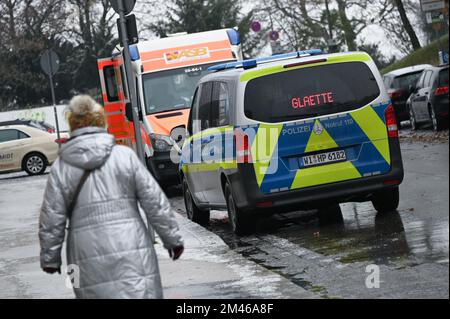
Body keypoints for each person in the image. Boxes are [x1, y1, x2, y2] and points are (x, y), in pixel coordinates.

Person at [38, 95, 184, 299]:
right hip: (131, 243)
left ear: (72, 125)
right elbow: (154, 201)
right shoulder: (124, 156)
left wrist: (50, 258)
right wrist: (173, 239)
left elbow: (52, 218)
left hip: (85, 251)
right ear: (101, 121)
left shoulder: (61, 168)